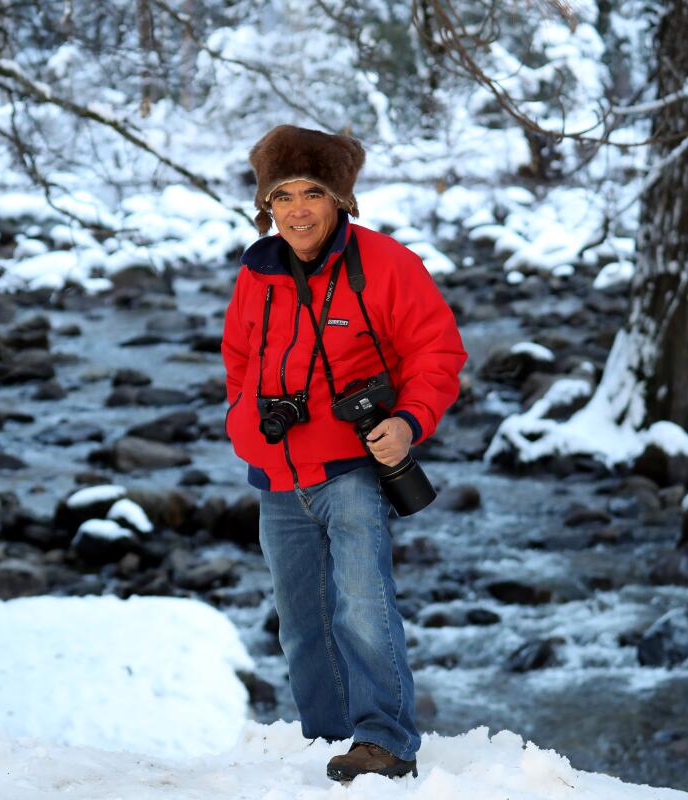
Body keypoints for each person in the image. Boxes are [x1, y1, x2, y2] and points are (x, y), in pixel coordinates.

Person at [221, 125, 467, 782]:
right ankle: (329, 737)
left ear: (339, 201)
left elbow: (437, 355)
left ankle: (384, 741)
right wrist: (244, 421)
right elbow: (239, 359)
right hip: (276, 472)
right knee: (300, 624)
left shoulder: (386, 264)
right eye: (282, 196)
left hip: (353, 468)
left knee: (363, 604)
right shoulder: (256, 269)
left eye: (312, 194)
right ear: (265, 205)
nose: (297, 210)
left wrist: (410, 421)